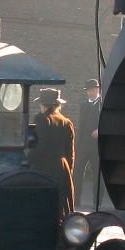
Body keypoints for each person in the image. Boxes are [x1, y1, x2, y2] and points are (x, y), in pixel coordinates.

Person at [28, 88, 75, 217]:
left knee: (42, 205)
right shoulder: (67, 122)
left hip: (44, 167)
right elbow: (70, 152)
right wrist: (69, 171)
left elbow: (40, 146)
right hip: (62, 167)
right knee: (60, 205)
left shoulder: (41, 119)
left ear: (43, 105)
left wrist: (27, 162)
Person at [74, 79, 101, 208]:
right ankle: (76, 200)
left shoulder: (102, 105)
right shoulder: (84, 106)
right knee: (77, 172)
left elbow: (109, 122)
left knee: (97, 173)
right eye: (89, 91)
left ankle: (97, 202)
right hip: (83, 145)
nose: (91, 93)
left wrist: (100, 129)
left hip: (96, 146)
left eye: (93, 90)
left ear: (98, 90)